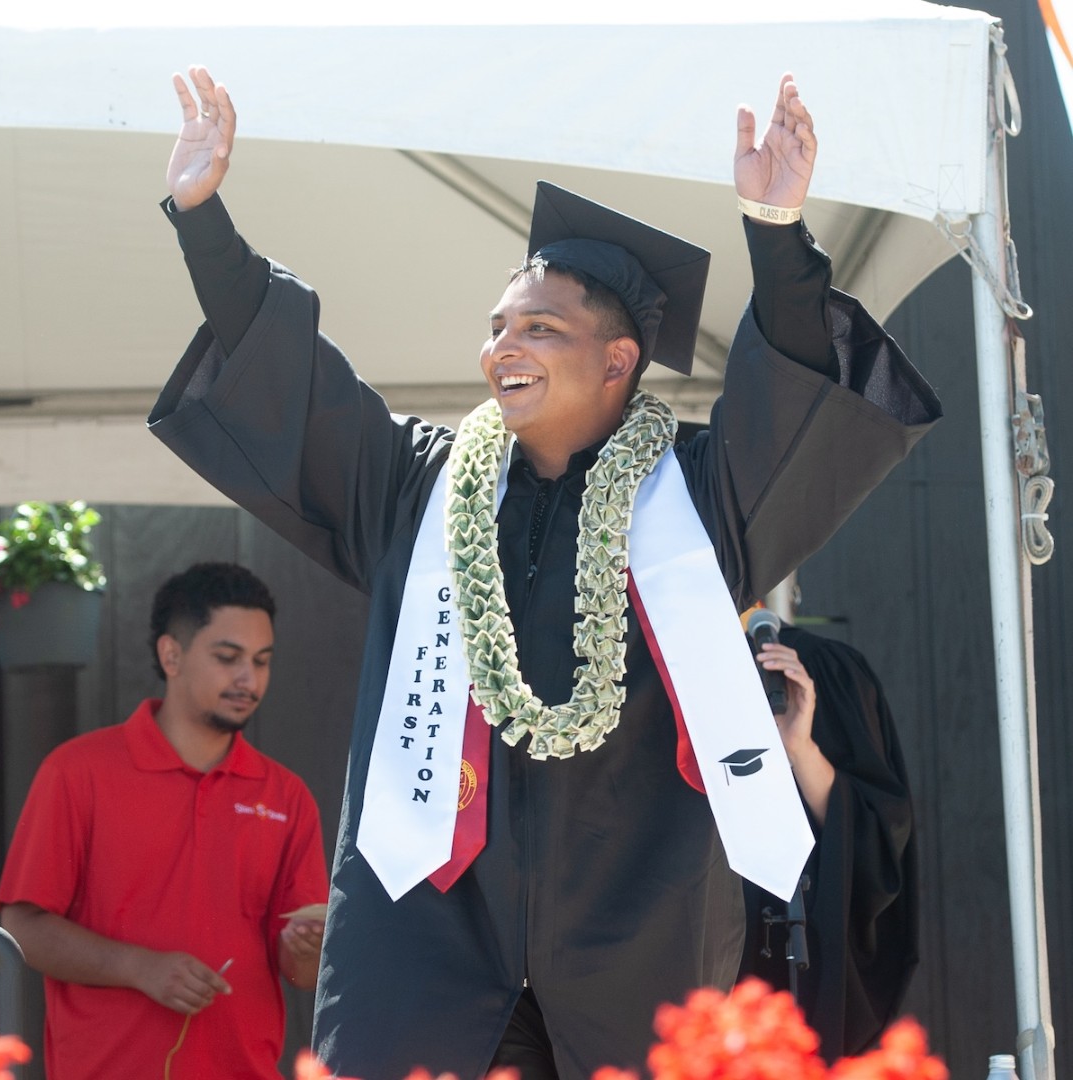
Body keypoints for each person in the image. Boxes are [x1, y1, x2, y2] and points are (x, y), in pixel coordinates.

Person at [148, 65, 941, 1080]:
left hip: (637, 933)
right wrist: (203, 220)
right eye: (496, 327)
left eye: (538, 329)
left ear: (618, 361)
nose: (500, 349)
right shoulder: (418, 489)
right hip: (428, 932)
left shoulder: (693, 503)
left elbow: (784, 401)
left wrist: (775, 230)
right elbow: (294, 389)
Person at [0, 562, 329, 1080]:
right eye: (228, 657)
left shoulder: (286, 795)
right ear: (170, 654)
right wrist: (139, 968)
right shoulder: (77, 771)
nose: (249, 679)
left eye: (262, 661)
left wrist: (303, 948)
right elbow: (21, 928)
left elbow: (302, 973)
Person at [745, 618, 918, 1062]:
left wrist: (800, 749)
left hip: (777, 973)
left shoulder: (816, 668)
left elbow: (873, 838)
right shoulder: (638, 674)